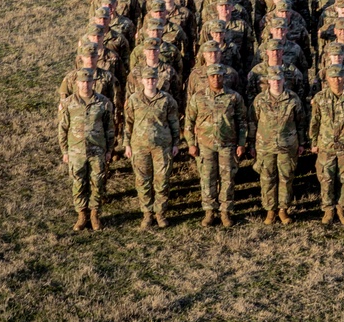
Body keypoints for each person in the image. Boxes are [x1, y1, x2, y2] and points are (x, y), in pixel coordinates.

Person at [184, 64, 248, 228]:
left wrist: (241, 143)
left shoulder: (233, 97)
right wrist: (191, 143)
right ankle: (209, 211)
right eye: (212, 76)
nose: (216, 79)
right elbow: (189, 123)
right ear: (208, 78)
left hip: (227, 144)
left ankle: (225, 212)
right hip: (205, 145)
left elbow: (242, 122)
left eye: (219, 76)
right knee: (207, 178)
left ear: (223, 77)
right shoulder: (198, 97)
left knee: (227, 179)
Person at [123, 66, 180, 229]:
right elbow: (128, 124)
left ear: (157, 80)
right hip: (139, 147)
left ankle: (160, 213)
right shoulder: (134, 99)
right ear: (142, 81)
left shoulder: (167, 100)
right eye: (147, 79)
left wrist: (176, 143)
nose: (150, 81)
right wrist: (126, 144)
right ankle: (147, 214)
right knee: (143, 181)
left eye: (153, 79)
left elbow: (174, 123)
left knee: (162, 181)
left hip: (162, 147)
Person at [58, 69, 115, 232]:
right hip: (76, 151)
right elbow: (63, 128)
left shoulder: (103, 103)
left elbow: (109, 128)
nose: (85, 85)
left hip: (97, 150)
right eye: (82, 82)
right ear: (77, 83)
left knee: (97, 183)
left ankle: (95, 214)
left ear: (93, 83)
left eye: (88, 82)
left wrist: (109, 149)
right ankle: (82, 214)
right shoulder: (69, 103)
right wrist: (65, 151)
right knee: (78, 183)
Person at [249, 68, 308, 225]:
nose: (276, 82)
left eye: (279, 79)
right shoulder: (260, 99)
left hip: (287, 146)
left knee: (286, 177)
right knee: (267, 178)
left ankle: (283, 209)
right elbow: (252, 122)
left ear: (284, 81)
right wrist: (251, 144)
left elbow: (301, 122)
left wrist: (302, 142)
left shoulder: (293, 99)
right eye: (273, 80)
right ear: (268, 81)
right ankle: (270, 209)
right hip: (265, 146)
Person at [309, 66, 344, 224]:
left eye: (339, 77)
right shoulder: (320, 98)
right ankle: (328, 210)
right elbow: (314, 122)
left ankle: (342, 209)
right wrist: (313, 142)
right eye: (333, 77)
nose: (336, 80)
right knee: (326, 179)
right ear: (327, 79)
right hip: (325, 145)